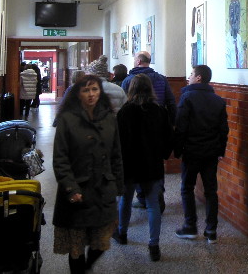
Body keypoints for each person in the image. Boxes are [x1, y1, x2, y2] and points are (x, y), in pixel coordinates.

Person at [52, 74, 124, 274]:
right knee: (76, 248)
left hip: (103, 190)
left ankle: (86, 268)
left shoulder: (109, 118)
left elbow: (116, 155)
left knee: (101, 242)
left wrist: (118, 185)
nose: (91, 94)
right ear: (78, 94)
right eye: (86, 90)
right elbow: (60, 159)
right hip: (77, 192)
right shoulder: (67, 119)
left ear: (101, 91)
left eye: (95, 89)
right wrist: (70, 188)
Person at [113, 74, 173, 261]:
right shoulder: (159, 111)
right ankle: (154, 245)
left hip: (129, 163)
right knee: (153, 204)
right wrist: (162, 155)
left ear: (131, 89)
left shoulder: (124, 112)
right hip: (151, 164)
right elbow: (168, 138)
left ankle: (122, 234)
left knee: (125, 200)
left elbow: (118, 141)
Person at [174, 64, 228, 244]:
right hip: (211, 152)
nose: (188, 77)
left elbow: (181, 127)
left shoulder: (187, 97)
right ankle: (211, 230)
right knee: (211, 190)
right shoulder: (218, 101)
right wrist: (221, 150)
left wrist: (178, 149)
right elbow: (224, 130)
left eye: (191, 74)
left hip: (191, 151)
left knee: (187, 188)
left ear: (198, 78)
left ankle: (190, 226)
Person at [121, 51, 177, 209]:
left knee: (138, 164)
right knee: (156, 162)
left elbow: (125, 104)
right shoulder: (161, 79)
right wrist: (172, 123)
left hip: (136, 129)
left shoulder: (129, 80)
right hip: (158, 126)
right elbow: (171, 102)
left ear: (138, 61)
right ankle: (158, 192)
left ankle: (143, 197)